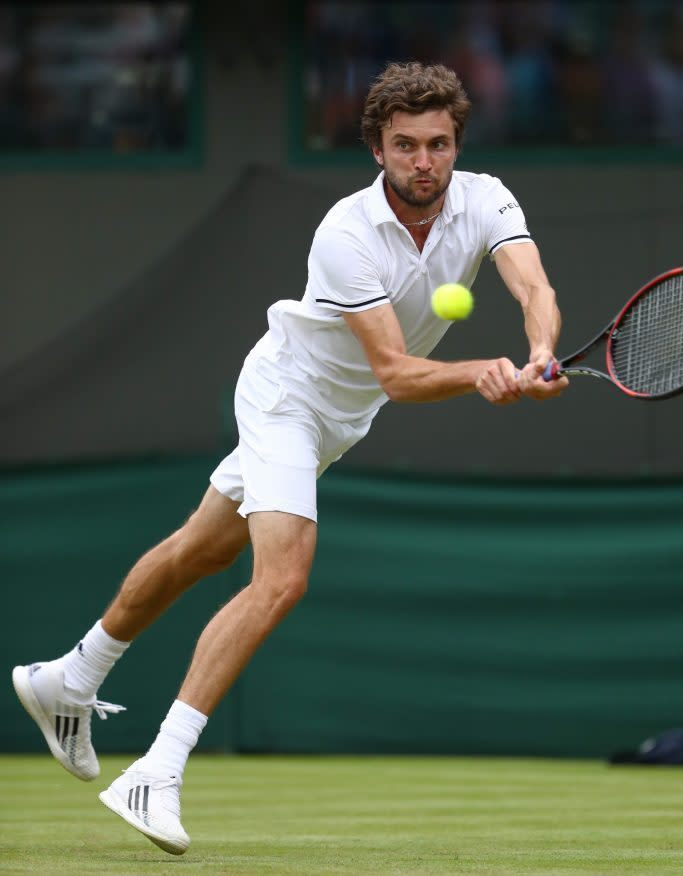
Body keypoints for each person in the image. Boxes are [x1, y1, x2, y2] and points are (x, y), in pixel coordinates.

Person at [12, 61, 568, 856]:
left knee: (199, 552)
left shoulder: (487, 199)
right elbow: (398, 374)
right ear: (376, 147)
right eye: (405, 144)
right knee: (283, 576)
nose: (423, 161)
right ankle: (156, 771)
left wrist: (540, 351)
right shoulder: (345, 232)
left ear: (457, 145)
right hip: (286, 398)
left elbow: (533, 285)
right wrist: (481, 372)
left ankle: (69, 677)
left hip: (338, 422)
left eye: (439, 144)